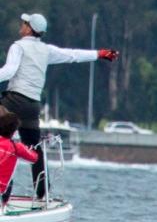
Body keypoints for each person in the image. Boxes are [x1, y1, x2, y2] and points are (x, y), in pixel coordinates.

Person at [0, 13, 119, 197]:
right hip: (32, 106)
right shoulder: (46, 50)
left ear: (29, 28)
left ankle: (3, 192)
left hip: (13, 102)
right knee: (34, 149)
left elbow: (9, 71)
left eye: (24, 23)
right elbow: (72, 55)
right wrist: (99, 54)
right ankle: (42, 194)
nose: (21, 25)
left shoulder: (18, 47)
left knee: (3, 145)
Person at [0, 110, 38, 205]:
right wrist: (29, 148)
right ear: (14, 131)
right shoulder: (17, 147)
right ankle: (3, 205)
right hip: (1, 190)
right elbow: (34, 158)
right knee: (10, 179)